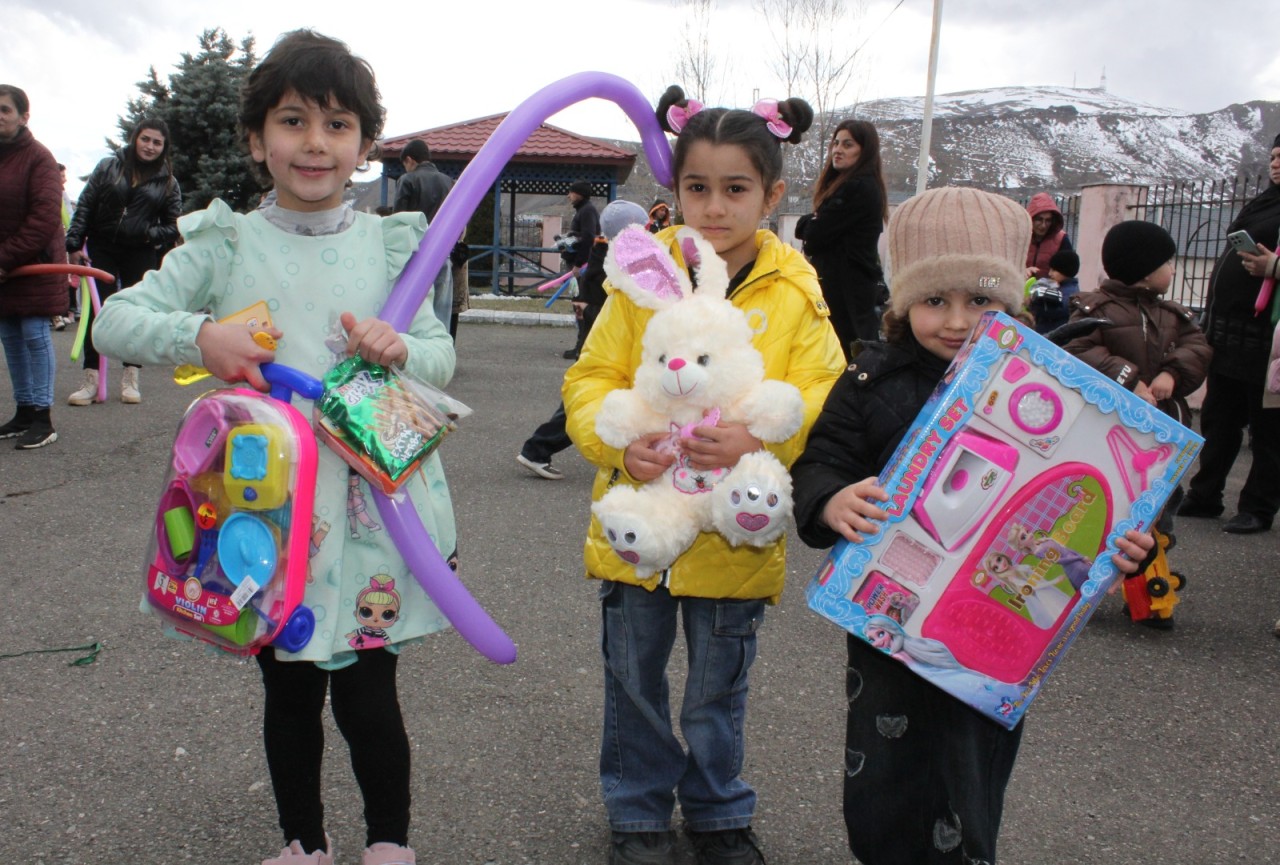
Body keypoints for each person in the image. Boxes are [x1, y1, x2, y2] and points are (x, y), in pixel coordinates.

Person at [93, 30, 458, 865]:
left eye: (337, 124)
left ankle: (389, 844)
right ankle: (304, 843)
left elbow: (440, 356)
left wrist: (398, 347)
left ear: (365, 144)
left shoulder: (390, 244)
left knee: (370, 696)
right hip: (266, 513)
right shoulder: (225, 244)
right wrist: (202, 336)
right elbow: (114, 318)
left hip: (371, 512)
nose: (316, 143)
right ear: (258, 140)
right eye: (293, 122)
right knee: (289, 691)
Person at [790, 186, 1156, 865]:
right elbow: (821, 462)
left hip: (999, 636)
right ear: (903, 302)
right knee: (882, 776)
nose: (957, 320)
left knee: (971, 774)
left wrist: (1122, 551)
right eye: (934, 300)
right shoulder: (871, 379)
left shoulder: (1059, 391)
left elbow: (1107, 495)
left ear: (1013, 300)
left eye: (981, 299)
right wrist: (830, 500)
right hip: (890, 628)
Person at [563, 84, 845, 865]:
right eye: (697, 187)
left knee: (718, 688)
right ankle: (639, 810)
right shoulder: (639, 282)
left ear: (772, 193)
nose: (714, 207)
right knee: (633, 679)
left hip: (734, 535)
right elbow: (591, 380)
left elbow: (823, 389)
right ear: (674, 188)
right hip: (639, 531)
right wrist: (622, 449)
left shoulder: (795, 290)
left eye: (735, 189)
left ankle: (719, 808)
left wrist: (757, 436)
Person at [1063, 220, 1211, 626]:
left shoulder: (1172, 314)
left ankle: (1148, 594)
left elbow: (1197, 347)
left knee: (1157, 511)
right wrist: (1127, 376)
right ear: (1146, 270)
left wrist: (1172, 375)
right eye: (1167, 262)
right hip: (1108, 434)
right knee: (1096, 506)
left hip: (1160, 436)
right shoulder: (1095, 310)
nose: (1172, 270)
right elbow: (1078, 348)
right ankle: (1069, 581)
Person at [1179, 135, 1280, 535]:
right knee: (1220, 421)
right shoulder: (1265, 203)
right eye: (1273, 156)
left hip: (1270, 342)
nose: (1276, 164)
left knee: (1269, 431)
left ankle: (1258, 507)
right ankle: (1205, 496)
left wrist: (1275, 269)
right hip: (1228, 334)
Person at [517, 199, 649, 481]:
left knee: (580, 403)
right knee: (580, 406)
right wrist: (587, 309)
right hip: (602, 346)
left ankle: (537, 448)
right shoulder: (610, 260)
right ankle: (536, 449)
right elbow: (599, 307)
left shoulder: (613, 256)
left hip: (609, 344)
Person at [64, 117, 181, 406]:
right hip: (101, 246)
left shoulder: (167, 180)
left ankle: (131, 375)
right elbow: (87, 204)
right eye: (145, 139)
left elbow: (174, 224)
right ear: (135, 138)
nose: (150, 146)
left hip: (139, 251)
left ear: (164, 147)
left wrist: (146, 234)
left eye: (157, 142)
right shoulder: (108, 166)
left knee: (135, 314)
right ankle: (91, 378)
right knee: (97, 312)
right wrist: (74, 244)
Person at [0, 83, 68, 449]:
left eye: (4, 110)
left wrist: (5, 258)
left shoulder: (39, 157)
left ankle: (43, 417)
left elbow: (44, 218)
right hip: (6, 270)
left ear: (23, 117)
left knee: (33, 335)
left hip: (33, 265)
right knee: (10, 336)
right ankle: (24, 410)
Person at [795, 119, 889, 357]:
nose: (838, 150)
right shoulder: (852, 186)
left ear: (864, 150)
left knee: (847, 354)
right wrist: (812, 221)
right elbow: (808, 229)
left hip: (848, 291)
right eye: (836, 143)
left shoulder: (858, 187)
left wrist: (812, 222)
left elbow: (814, 235)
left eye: (848, 144)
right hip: (848, 287)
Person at [393, 138, 454, 335]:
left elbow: (398, 219)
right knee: (441, 307)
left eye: (405, 165)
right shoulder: (448, 181)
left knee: (412, 304)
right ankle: (441, 349)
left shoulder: (408, 180)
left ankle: (412, 350)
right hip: (442, 252)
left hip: (414, 252)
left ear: (410, 160)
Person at [561, 179, 600, 359]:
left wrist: (578, 265)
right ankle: (581, 344)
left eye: (571, 192)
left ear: (580, 193)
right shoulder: (583, 211)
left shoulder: (587, 211)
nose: (569, 196)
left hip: (583, 268)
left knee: (581, 306)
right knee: (578, 305)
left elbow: (588, 238)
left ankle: (582, 347)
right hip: (580, 265)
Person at [1026, 248, 1080, 335]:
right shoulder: (1060, 286)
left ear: (1065, 270)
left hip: (1053, 337)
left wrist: (1032, 304)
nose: (1050, 273)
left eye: (1054, 270)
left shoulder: (1069, 293)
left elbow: (1053, 310)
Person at [1024, 192, 1073, 279]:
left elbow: (1069, 272)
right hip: (1019, 289)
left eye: (1048, 220)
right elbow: (1001, 273)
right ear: (1030, 219)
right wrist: (1021, 272)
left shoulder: (1061, 239)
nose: (1044, 225)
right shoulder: (1019, 238)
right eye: (1039, 219)